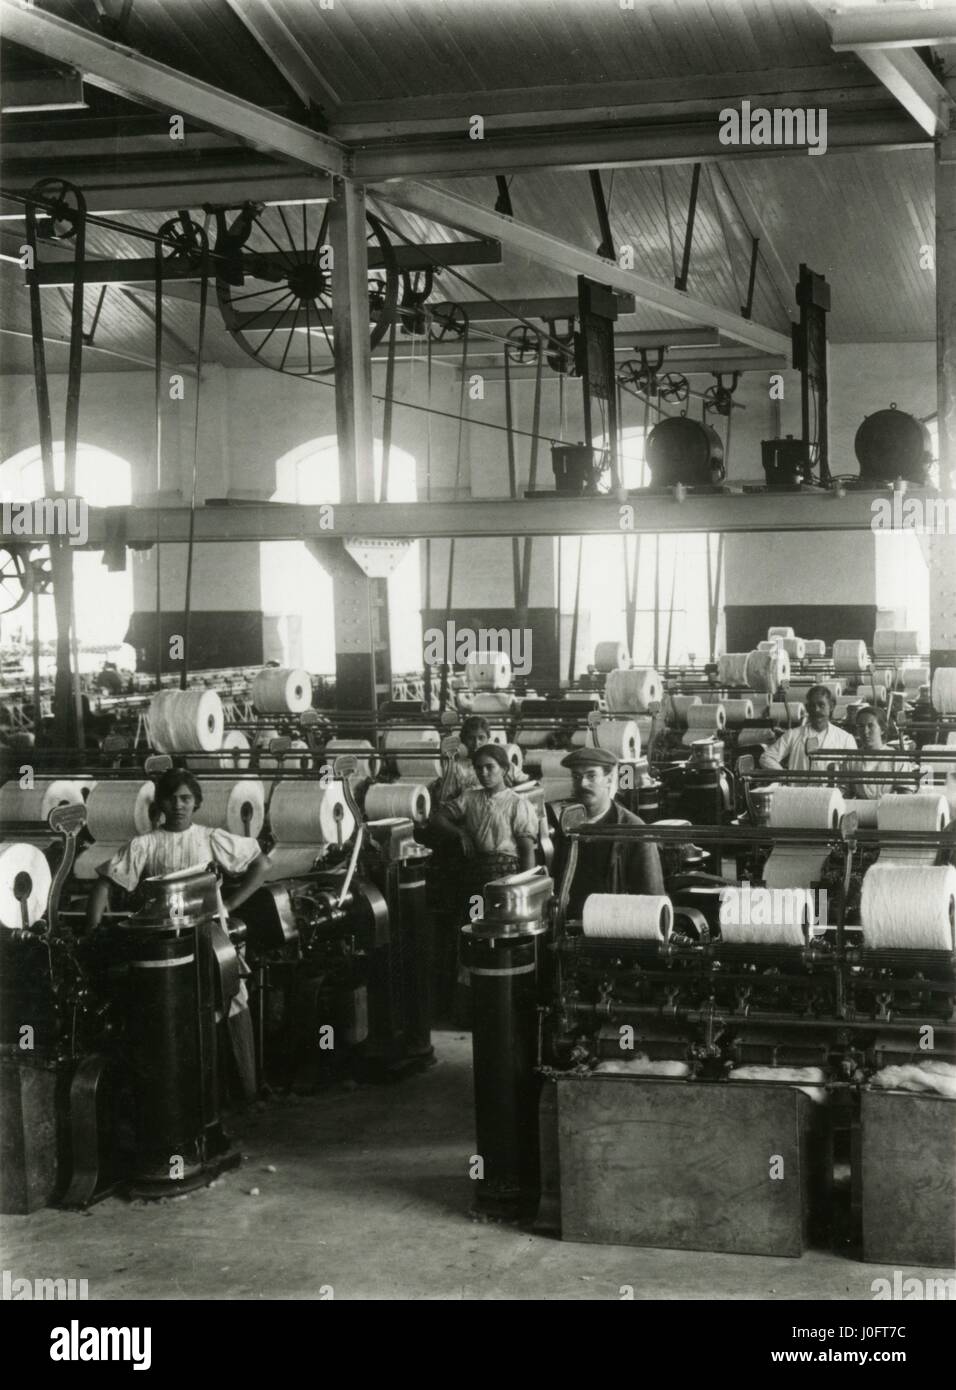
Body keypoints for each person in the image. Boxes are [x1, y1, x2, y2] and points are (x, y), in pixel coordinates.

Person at [85, 768, 270, 1100]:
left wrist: (228, 903)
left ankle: (246, 1091)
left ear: (196, 802)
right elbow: (102, 885)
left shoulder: (211, 838)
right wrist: (93, 932)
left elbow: (262, 864)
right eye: (172, 798)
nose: (179, 805)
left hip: (211, 938)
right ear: (161, 804)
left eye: (186, 798)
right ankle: (187, 1097)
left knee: (232, 1000)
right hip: (164, 946)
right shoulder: (144, 845)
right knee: (174, 1010)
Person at [551, 746, 665, 920]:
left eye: (591, 775)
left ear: (609, 779)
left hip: (611, 928)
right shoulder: (565, 824)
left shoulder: (634, 831)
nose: (583, 784)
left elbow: (652, 899)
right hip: (569, 930)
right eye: (576, 777)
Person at [431, 742, 538, 886]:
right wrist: (460, 833)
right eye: (479, 768)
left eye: (490, 767)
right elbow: (438, 818)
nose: (484, 773)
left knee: (498, 908)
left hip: (507, 875)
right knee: (476, 907)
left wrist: (525, 886)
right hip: (475, 872)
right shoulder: (469, 798)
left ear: (504, 769)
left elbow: (527, 851)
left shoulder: (518, 804)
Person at [759, 684, 857, 772]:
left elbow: (854, 770)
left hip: (831, 792)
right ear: (807, 707)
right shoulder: (793, 735)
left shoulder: (846, 739)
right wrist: (785, 776)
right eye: (812, 706)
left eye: (821, 705)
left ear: (831, 706)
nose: (816, 710)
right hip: (799, 791)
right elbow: (766, 758)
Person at [848, 705, 912, 799]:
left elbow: (906, 792)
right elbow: (843, 792)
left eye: (870, 726)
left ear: (882, 729)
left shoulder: (897, 758)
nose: (865, 731)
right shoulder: (851, 759)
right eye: (861, 726)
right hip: (859, 810)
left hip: (888, 809)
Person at [434, 714, 491, 806]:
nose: (476, 743)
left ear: (488, 739)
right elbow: (446, 799)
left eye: (481, 738)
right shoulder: (456, 766)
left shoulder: (497, 761)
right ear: (463, 740)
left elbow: (522, 781)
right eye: (471, 738)